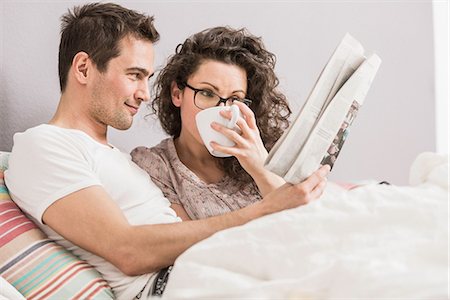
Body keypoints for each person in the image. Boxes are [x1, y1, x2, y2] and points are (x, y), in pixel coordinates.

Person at [4, 2, 330, 299]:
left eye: (147, 78)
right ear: (84, 69)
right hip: (172, 286)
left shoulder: (115, 158)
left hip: (206, 273)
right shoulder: (44, 145)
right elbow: (127, 251)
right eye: (134, 75)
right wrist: (263, 211)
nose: (145, 94)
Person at [131, 27, 289, 220]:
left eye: (234, 99)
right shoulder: (156, 166)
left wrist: (261, 168)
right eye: (207, 93)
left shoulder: (268, 154)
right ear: (177, 94)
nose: (222, 110)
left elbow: (307, 225)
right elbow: (191, 245)